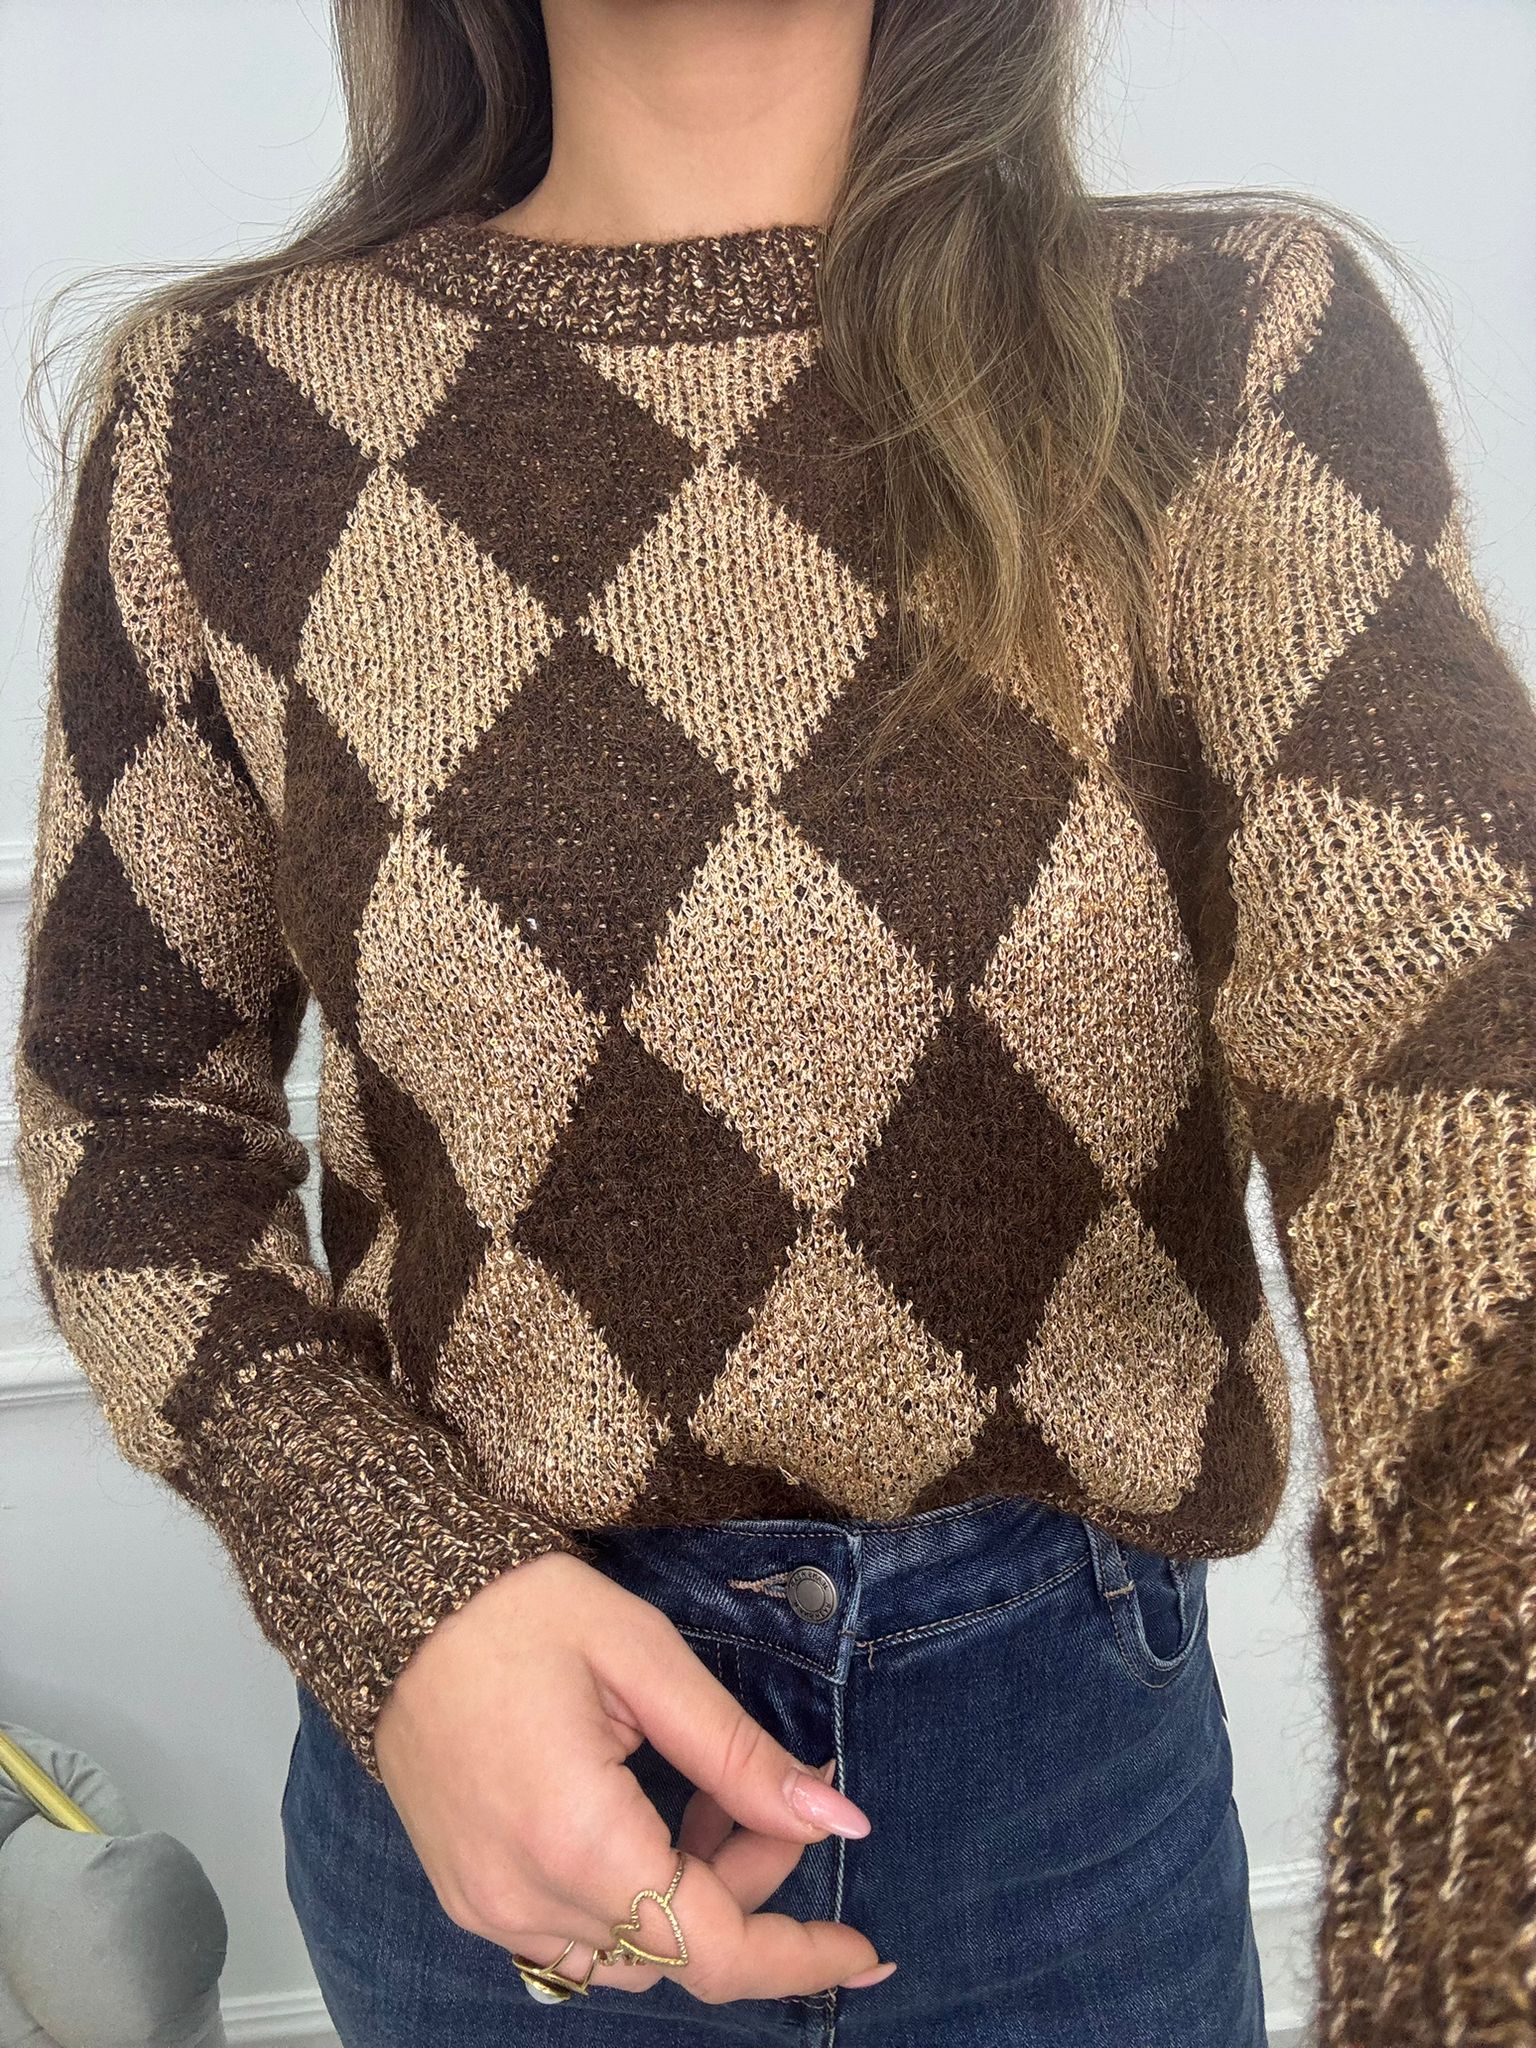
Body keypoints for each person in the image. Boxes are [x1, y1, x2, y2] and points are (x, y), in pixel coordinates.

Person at [15, 0, 1534, 2042]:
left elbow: (1438, 1018)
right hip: (482, 1770)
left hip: (1063, 1780)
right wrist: (390, 1585)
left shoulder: (1223, 344)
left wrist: (1485, 1864)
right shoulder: (228, 416)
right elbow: (123, 1121)